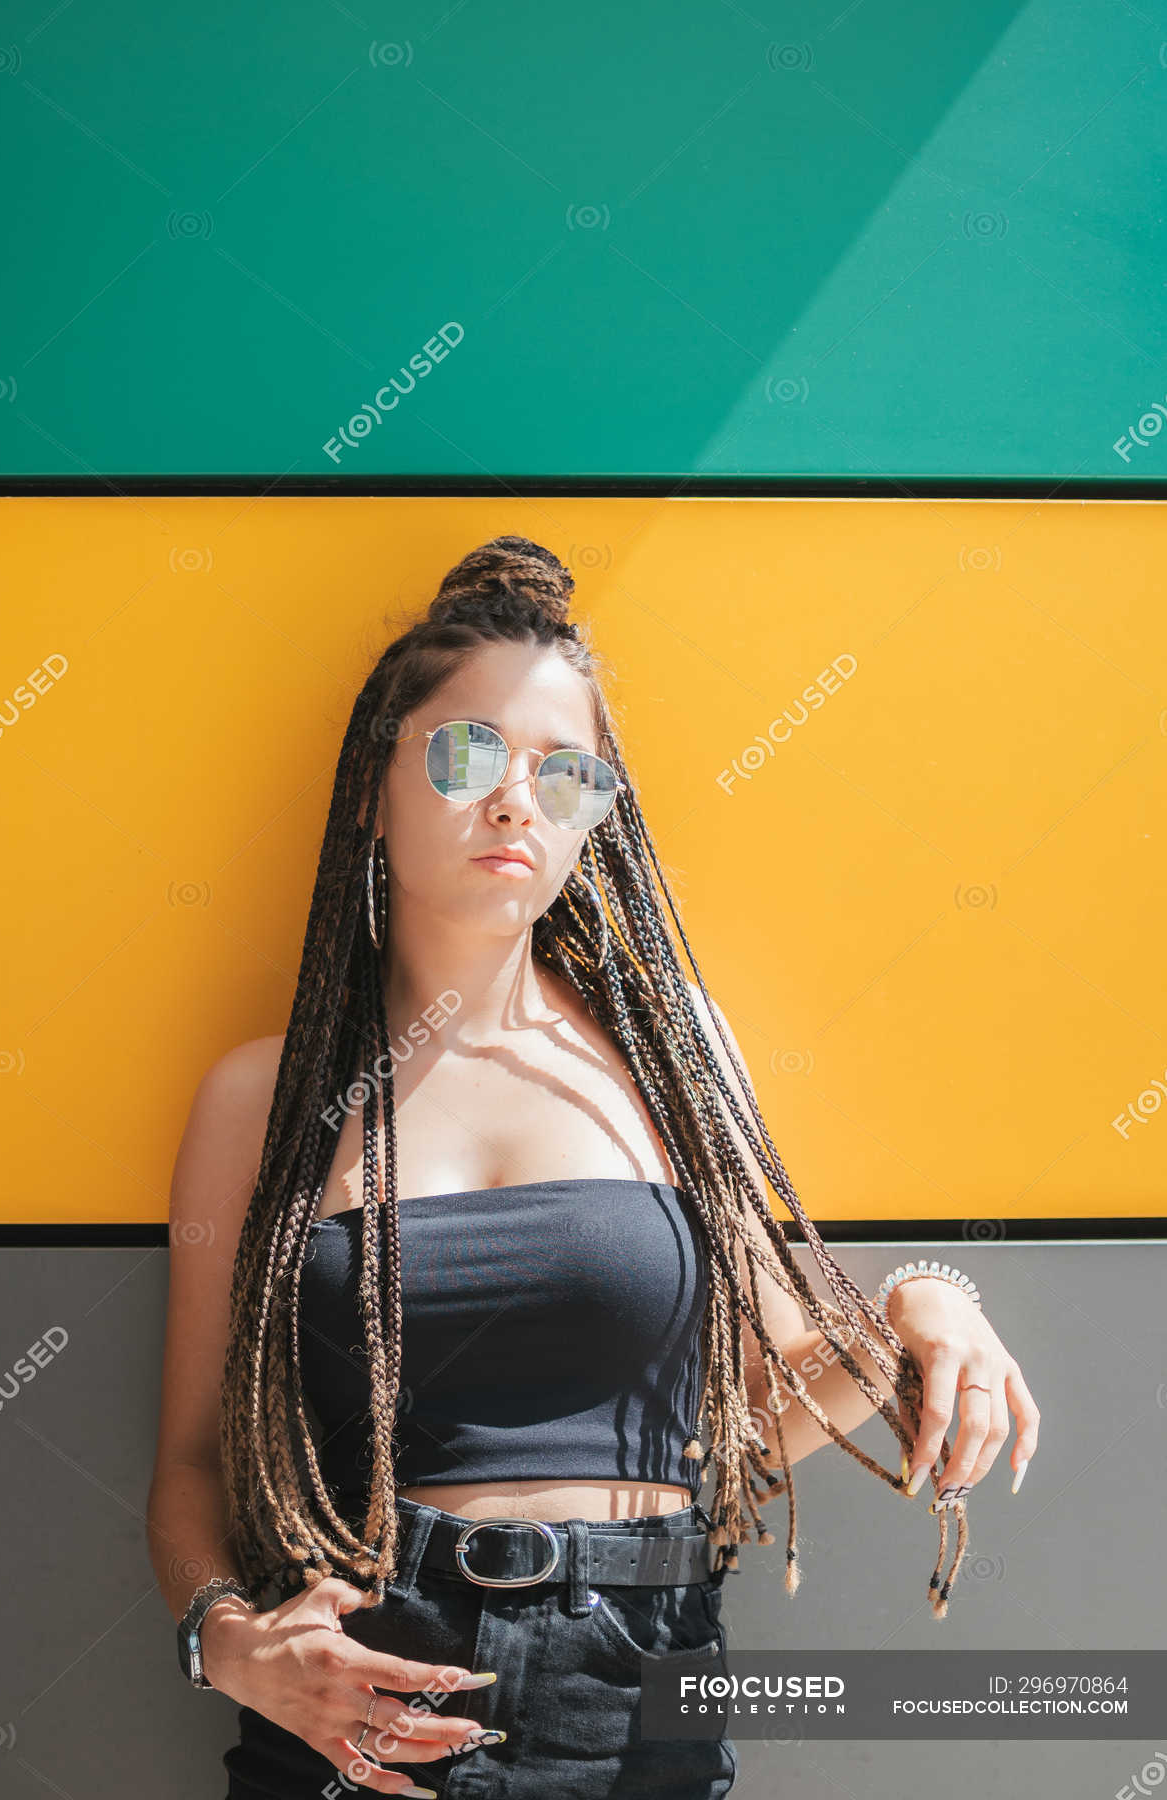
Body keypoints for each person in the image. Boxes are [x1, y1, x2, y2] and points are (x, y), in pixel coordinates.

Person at [146, 535, 1040, 1798]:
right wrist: (231, 1645)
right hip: (364, 1701)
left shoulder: (673, 1057)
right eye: (467, 754)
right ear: (372, 791)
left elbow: (759, 1418)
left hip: (639, 1688)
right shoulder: (261, 1101)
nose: (518, 801)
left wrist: (924, 1302)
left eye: (567, 776)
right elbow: (189, 1465)